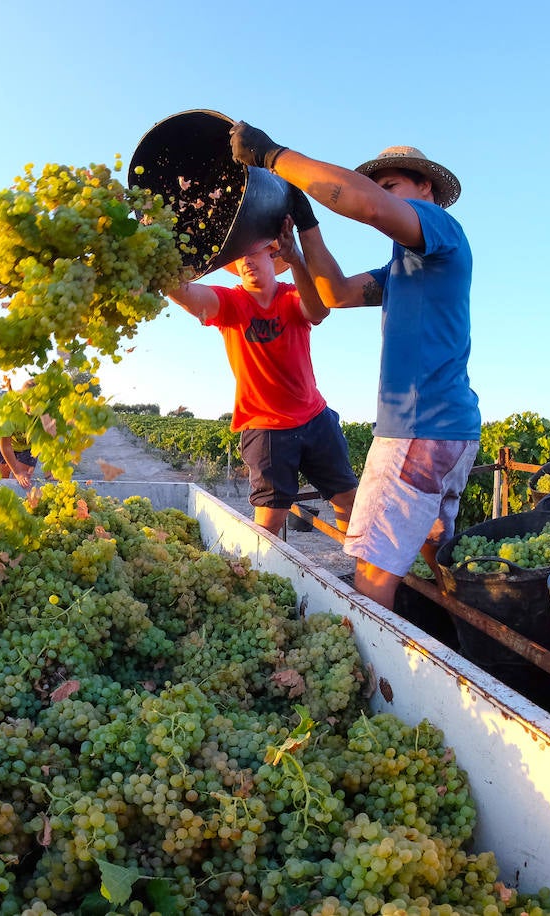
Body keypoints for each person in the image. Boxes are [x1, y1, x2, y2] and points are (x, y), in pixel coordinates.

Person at [230, 122, 480, 610]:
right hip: (449, 431)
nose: (381, 194)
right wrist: (306, 227)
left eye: (392, 185)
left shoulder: (440, 227)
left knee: (370, 574)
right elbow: (336, 294)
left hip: (417, 430)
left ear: (425, 189)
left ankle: (376, 663)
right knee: (436, 551)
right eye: (379, 185)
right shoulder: (407, 268)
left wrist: (274, 156)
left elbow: (367, 206)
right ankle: (466, 635)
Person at [165, 220, 357, 538]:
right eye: (240, 256)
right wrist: (161, 263)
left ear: (272, 255)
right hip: (265, 428)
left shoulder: (292, 295)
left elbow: (319, 311)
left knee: (348, 501)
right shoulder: (229, 303)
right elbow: (189, 296)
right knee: (269, 520)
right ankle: (259, 567)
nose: (247, 261)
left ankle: (358, 565)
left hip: (315, 418)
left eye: (254, 252)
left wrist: (297, 260)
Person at [0, 380, 40, 488]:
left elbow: (46, 441)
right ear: (21, 398)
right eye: (28, 402)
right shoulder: (9, 411)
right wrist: (17, 472)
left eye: (35, 403)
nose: (31, 407)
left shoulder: (46, 412)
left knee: (21, 483)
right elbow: (5, 445)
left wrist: (49, 472)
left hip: (27, 448)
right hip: (4, 444)